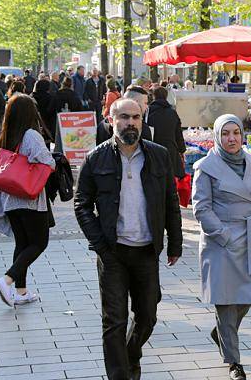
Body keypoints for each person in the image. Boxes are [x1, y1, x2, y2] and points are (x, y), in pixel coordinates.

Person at [74, 98, 183, 380]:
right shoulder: (96, 158)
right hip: (113, 253)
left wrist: (175, 243)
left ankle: (131, 353)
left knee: (147, 316)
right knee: (114, 321)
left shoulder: (159, 155)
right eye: (124, 117)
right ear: (111, 120)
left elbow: (171, 201)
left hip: (147, 251)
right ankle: (120, 374)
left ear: (142, 120)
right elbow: (81, 203)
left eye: (136, 117)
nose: (131, 122)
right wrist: (99, 243)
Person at [192, 114, 251, 380]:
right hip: (220, 243)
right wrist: (222, 235)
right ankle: (234, 362)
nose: (231, 138)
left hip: (249, 239)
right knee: (226, 304)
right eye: (225, 134)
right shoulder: (205, 167)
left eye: (236, 133)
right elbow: (201, 208)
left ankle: (221, 333)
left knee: (247, 298)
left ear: (242, 135)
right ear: (217, 137)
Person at [0, 94, 56, 307]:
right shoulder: (31, 135)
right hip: (30, 199)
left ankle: (21, 291)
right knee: (38, 243)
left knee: (23, 244)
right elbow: (47, 161)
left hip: (9, 199)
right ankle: (7, 279)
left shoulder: (6, 135)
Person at [146, 87, 186, 179]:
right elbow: (178, 134)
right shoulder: (172, 113)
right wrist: (182, 150)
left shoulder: (148, 112)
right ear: (166, 96)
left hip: (152, 150)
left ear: (154, 96)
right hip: (170, 150)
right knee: (170, 180)